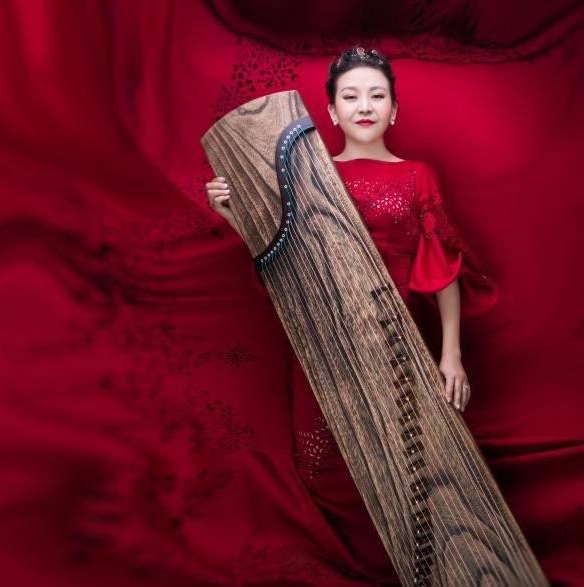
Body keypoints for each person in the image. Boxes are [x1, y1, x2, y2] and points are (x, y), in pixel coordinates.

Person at [205, 45, 498, 582]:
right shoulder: (307, 179)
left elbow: (442, 271)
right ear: (332, 112)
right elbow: (283, 259)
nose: (365, 106)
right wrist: (234, 215)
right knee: (326, 466)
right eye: (351, 97)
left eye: (377, 95)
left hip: (397, 340)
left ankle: (422, 569)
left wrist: (451, 355)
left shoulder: (417, 175)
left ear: (394, 109)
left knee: (411, 465)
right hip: (324, 341)